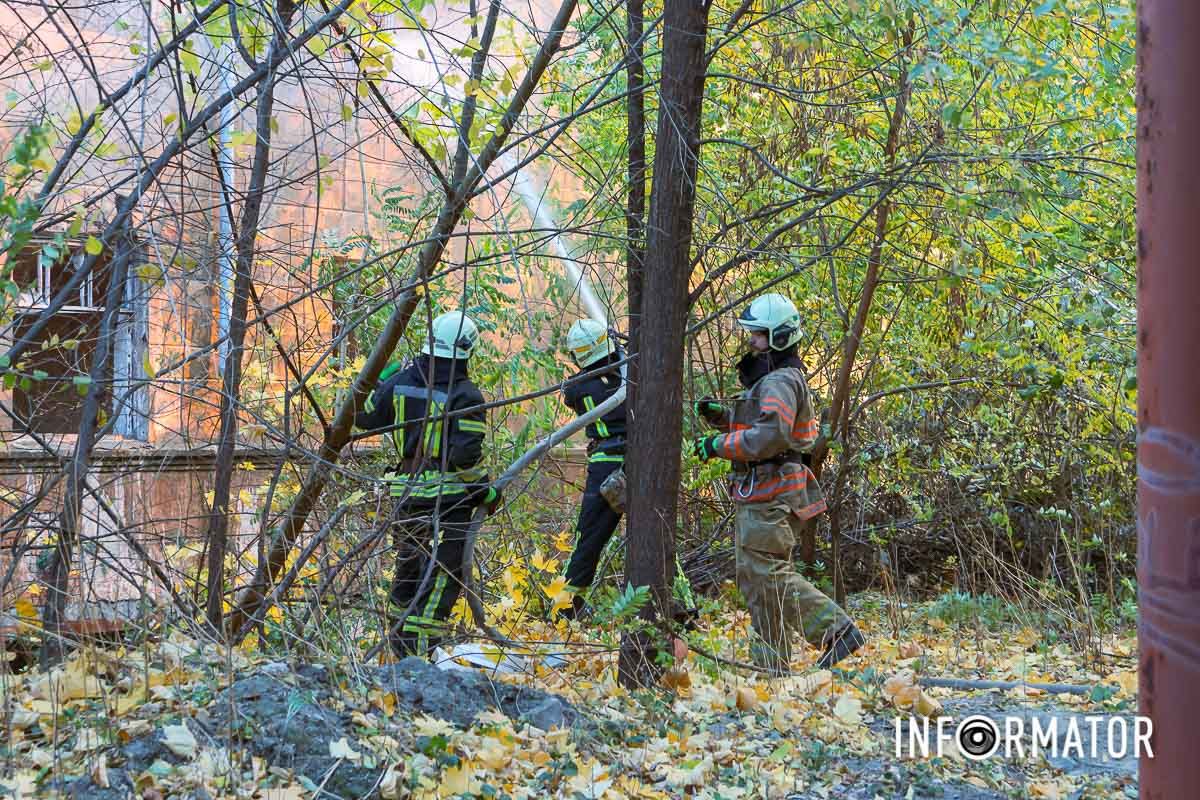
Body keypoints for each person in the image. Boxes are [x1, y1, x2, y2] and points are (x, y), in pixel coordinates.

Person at [692, 293, 864, 674]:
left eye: (758, 335)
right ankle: (771, 667)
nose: (751, 341)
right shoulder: (773, 379)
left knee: (767, 574)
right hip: (766, 491)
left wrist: (717, 445)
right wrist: (722, 418)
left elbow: (769, 437)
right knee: (756, 579)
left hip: (772, 492)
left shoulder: (781, 381)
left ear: (780, 337)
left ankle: (837, 630)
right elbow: (759, 424)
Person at [355, 310, 500, 658]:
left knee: (406, 576)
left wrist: (384, 377)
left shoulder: (403, 381)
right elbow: (464, 458)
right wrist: (487, 492)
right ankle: (420, 663)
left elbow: (362, 417)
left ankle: (397, 657)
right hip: (447, 505)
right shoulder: (466, 395)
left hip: (406, 499)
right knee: (439, 581)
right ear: (467, 349)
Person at [557, 318, 628, 618]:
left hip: (604, 468)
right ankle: (679, 604)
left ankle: (565, 610)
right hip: (637, 461)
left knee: (588, 540)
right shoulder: (631, 373)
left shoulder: (576, 388)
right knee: (655, 530)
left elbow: (571, 393)